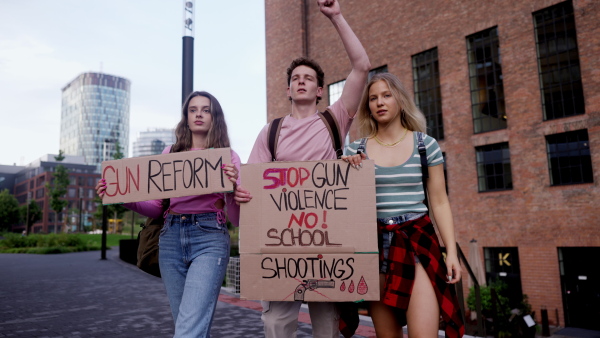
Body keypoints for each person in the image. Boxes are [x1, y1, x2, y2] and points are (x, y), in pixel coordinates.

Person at [234, 1, 370, 336]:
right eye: (295, 78)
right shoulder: (271, 131)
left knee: (327, 324)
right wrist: (240, 191)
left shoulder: (334, 119)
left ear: (320, 90)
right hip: (282, 245)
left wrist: (336, 17)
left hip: (327, 241)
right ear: (288, 89)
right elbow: (255, 186)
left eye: (308, 78)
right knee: (276, 323)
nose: (301, 82)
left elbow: (362, 67)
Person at [96, 91, 241, 338]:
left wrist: (233, 189)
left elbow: (236, 219)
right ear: (185, 117)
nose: (199, 114)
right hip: (171, 238)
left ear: (215, 117)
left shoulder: (228, 158)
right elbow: (156, 207)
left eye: (206, 110)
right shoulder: (169, 153)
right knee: (187, 324)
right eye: (193, 109)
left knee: (188, 329)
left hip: (209, 238)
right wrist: (121, 196)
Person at [342, 73, 465, 338]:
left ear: (400, 100)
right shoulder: (354, 151)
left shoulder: (425, 145)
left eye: (386, 95)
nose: (379, 102)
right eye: (373, 98)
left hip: (417, 243)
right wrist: (349, 170)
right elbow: (341, 206)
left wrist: (451, 252)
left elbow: (440, 201)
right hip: (373, 248)